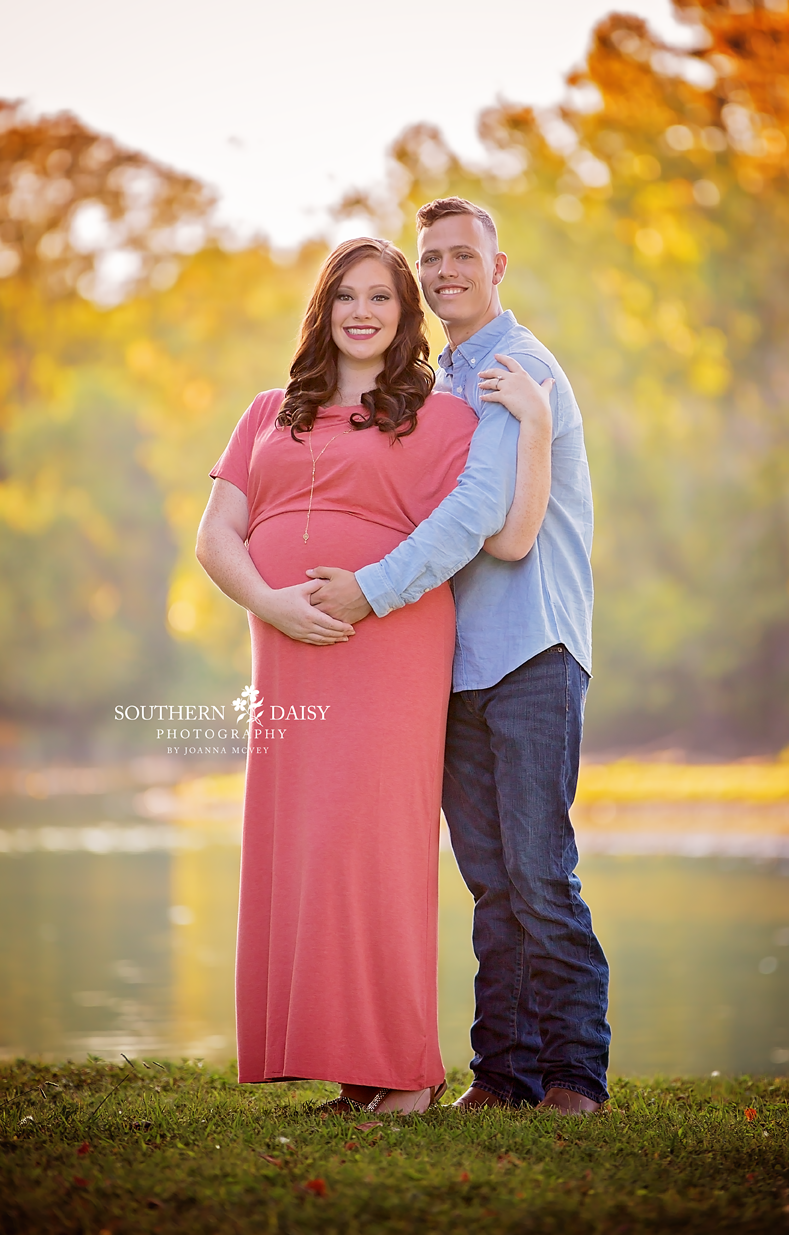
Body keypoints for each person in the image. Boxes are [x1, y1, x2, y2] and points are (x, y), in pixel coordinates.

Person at [195, 236, 553, 1115]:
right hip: (286, 649)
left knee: (378, 852)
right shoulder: (267, 411)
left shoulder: (442, 420)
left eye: (382, 299)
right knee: (302, 849)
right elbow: (215, 536)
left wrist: (538, 425)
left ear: (404, 317)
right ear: (323, 308)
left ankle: (405, 1075)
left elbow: (503, 535)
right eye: (347, 296)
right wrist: (270, 605)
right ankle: (355, 1071)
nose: (362, 312)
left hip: (389, 645)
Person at [308, 198, 611, 1115]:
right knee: (489, 881)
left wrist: (369, 588)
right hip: (460, 662)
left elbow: (484, 519)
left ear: (497, 265)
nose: (444, 272)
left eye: (460, 257)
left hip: (530, 652)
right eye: (431, 259)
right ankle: (504, 1075)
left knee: (538, 872)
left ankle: (574, 1077)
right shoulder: (449, 379)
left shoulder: (515, 371)